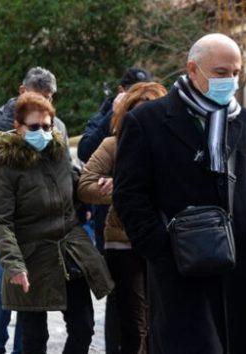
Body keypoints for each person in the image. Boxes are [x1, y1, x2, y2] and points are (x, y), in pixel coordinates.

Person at [113, 33, 246, 353]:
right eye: (220, 72)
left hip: (238, 272)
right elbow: (129, 195)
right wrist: (162, 249)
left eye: (235, 72)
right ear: (193, 69)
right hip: (179, 272)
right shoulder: (147, 120)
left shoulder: (245, 121)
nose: (230, 80)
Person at [0, 92, 113, 354]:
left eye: (47, 126)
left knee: (83, 327)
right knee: (34, 338)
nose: (42, 132)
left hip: (70, 252)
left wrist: (101, 188)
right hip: (30, 256)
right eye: (34, 127)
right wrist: (13, 264)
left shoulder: (58, 156)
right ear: (18, 128)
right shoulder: (6, 167)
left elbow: (77, 188)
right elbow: (0, 222)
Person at [0, 67, 70, 354]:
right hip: (7, 224)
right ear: (23, 90)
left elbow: (64, 172)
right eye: (40, 95)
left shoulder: (57, 126)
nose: (45, 103)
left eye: (50, 97)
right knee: (5, 280)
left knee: (30, 291)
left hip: (43, 229)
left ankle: (22, 349)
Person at [78, 81, 167, 354]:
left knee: (161, 319)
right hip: (123, 241)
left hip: (164, 239)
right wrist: (119, 189)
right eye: (137, 112)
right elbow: (85, 186)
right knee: (133, 321)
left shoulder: (172, 146)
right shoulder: (114, 145)